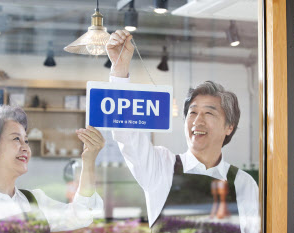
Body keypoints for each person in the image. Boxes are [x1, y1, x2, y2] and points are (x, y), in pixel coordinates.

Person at [106, 30, 259, 233]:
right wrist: (120, 66)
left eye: (209, 113)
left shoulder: (243, 183)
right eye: (192, 112)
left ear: (229, 127)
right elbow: (125, 132)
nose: (197, 121)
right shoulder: (161, 166)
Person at [0, 105, 105, 233]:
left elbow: (81, 214)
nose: (25, 147)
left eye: (26, 140)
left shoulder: (33, 200)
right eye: (16, 139)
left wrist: (89, 160)